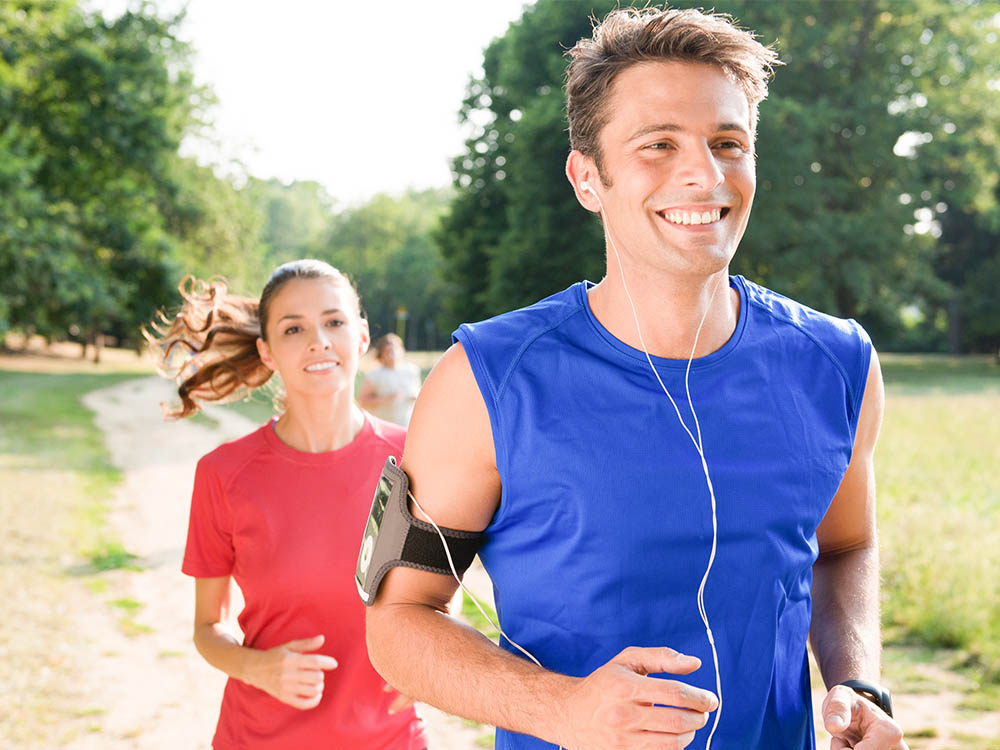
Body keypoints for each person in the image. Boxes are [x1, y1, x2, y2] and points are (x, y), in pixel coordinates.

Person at [365, 7, 907, 750]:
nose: (703, 173)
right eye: (659, 144)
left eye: (728, 143)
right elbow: (399, 622)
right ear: (588, 177)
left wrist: (856, 681)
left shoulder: (838, 363)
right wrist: (562, 709)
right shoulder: (485, 380)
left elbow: (844, 547)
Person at [146, 260, 426, 749]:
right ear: (267, 351)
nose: (318, 339)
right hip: (258, 737)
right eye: (293, 328)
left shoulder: (416, 460)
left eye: (334, 321)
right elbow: (207, 628)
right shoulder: (224, 474)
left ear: (361, 335)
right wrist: (258, 667)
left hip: (390, 739)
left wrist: (430, 663)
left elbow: (439, 597)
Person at [359, 333, 422, 426]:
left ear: (402, 350)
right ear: (382, 354)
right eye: (388, 351)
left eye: (395, 349)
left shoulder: (412, 370)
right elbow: (363, 401)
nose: (393, 353)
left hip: (407, 425)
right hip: (384, 425)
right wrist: (386, 399)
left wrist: (416, 397)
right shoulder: (374, 374)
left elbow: (418, 393)